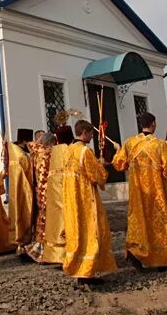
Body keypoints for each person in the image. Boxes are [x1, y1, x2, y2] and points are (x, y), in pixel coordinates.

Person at [113, 113, 167, 271]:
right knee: (161, 223)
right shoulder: (160, 145)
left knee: (139, 222)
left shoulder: (130, 143)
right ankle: (164, 258)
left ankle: (136, 252)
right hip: (157, 193)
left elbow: (119, 165)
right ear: (153, 124)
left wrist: (118, 150)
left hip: (138, 194)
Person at [62, 120, 117, 285]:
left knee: (77, 233)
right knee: (92, 233)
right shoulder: (85, 152)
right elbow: (98, 176)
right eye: (91, 134)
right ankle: (87, 272)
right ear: (84, 133)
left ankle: (80, 270)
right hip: (86, 200)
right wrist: (102, 164)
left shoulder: (68, 151)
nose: (92, 137)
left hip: (71, 200)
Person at [42, 125, 75, 265]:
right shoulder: (70, 150)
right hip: (67, 191)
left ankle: (54, 254)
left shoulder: (54, 151)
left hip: (53, 193)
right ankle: (68, 253)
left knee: (56, 221)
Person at [6, 128, 34, 255]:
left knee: (17, 216)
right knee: (25, 216)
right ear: (24, 142)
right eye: (29, 142)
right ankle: (23, 245)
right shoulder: (22, 156)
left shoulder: (13, 152)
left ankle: (19, 245)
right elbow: (30, 175)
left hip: (15, 191)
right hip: (24, 191)